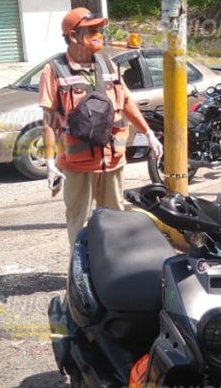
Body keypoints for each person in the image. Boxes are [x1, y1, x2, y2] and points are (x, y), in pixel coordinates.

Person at [40, 7, 162, 248]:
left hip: (113, 161)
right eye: (92, 30)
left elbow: (126, 103)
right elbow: (49, 118)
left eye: (99, 29)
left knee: (115, 222)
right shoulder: (54, 70)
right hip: (77, 166)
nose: (99, 34)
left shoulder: (108, 64)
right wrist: (50, 162)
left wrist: (148, 133)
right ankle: (79, 277)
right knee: (79, 225)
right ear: (74, 36)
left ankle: (113, 274)